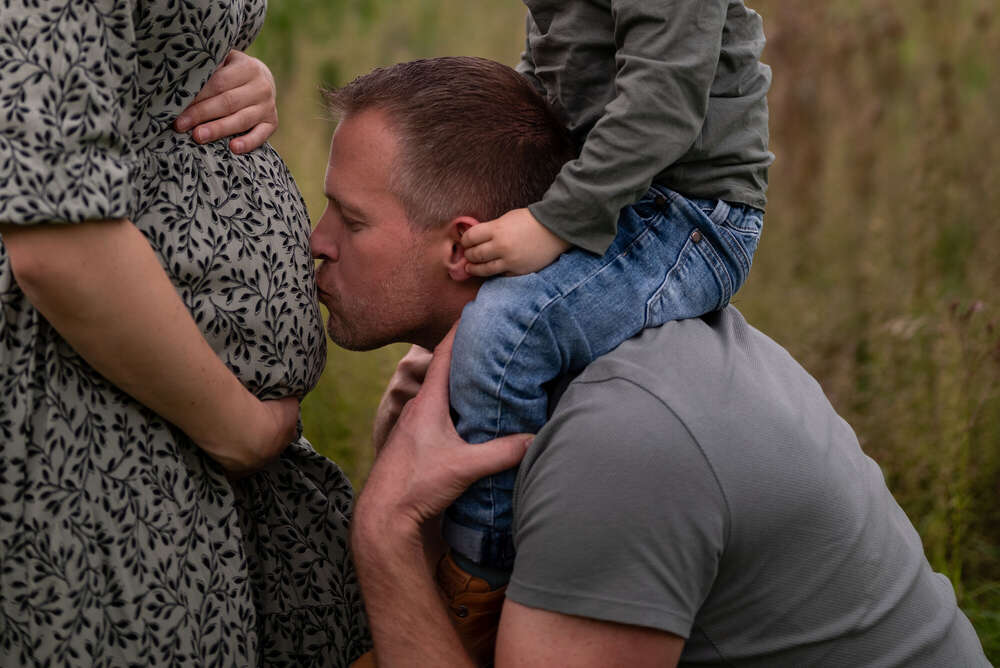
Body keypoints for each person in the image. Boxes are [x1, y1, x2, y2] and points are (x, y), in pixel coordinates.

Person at [310, 57, 990, 666]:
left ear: (462, 247)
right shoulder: (530, 378)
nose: (317, 241)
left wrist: (385, 533)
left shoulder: (619, 432)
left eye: (351, 219)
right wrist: (422, 514)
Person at [0, 2, 367, 665]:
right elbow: (57, 236)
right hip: (91, 424)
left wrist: (216, 72)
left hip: (178, 429)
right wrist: (240, 430)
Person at [442, 0, 773, 610]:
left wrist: (553, 222)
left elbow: (663, 101)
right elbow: (551, 71)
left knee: (507, 327)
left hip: (692, 209)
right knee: (459, 276)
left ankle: (480, 577)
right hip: (609, 187)